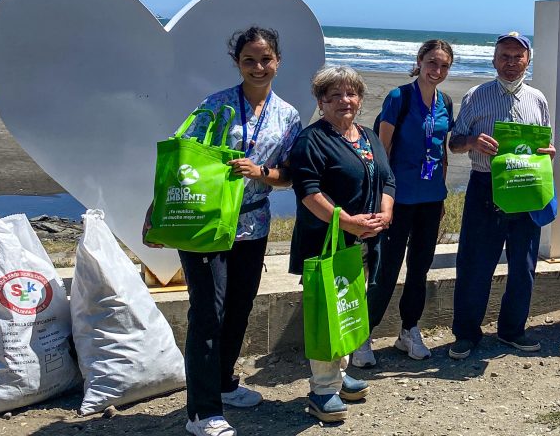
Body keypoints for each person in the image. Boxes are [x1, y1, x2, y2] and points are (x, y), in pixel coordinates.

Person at [143, 26, 303, 436]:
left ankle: (224, 381)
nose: (258, 67)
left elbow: (288, 175)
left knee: (239, 307)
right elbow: (181, 162)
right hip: (204, 224)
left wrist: (261, 172)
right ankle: (201, 412)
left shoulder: (288, 116)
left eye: (265, 59)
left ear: (278, 61)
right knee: (208, 313)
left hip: (253, 223)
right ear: (237, 63)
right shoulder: (214, 106)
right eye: (249, 60)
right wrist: (157, 212)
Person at [286, 65, 395, 422]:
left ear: (360, 99)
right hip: (326, 241)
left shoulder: (366, 135)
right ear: (320, 102)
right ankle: (322, 388)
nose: (344, 101)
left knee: (348, 309)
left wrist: (385, 213)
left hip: (364, 241)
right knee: (325, 313)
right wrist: (348, 221)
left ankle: (339, 371)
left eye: (350, 94)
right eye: (334, 96)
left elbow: (387, 179)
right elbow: (308, 192)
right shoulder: (311, 139)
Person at [446, 31, 555, 360]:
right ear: (494, 60)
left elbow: (543, 146)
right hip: (485, 185)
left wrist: (546, 153)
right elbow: (453, 142)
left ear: (528, 60)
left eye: (517, 57)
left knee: (523, 264)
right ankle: (466, 334)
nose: (511, 63)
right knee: (476, 264)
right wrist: (471, 143)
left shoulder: (538, 99)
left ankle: (512, 330)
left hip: (525, 187)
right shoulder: (476, 95)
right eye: (504, 56)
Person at [351, 40, 455, 367]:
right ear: (419, 61)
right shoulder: (400, 97)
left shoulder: (446, 102)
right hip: (397, 200)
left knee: (420, 268)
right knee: (385, 268)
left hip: (430, 198)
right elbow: (381, 154)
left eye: (444, 66)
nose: (436, 71)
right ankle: (362, 337)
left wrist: (442, 194)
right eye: (432, 63)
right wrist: (384, 200)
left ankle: (409, 330)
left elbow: (442, 151)